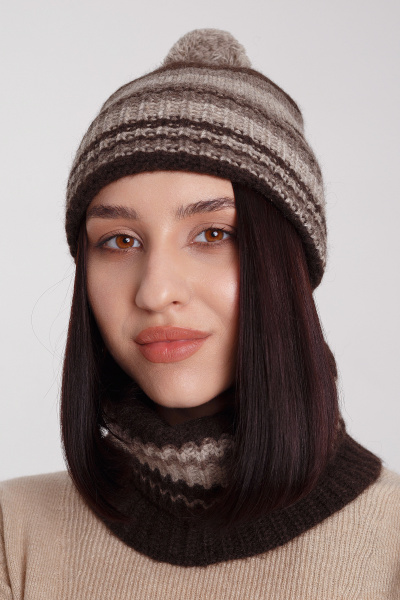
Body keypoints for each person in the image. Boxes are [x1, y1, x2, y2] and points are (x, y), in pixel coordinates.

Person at [0, 28, 399, 600]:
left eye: (213, 234)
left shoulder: (390, 543)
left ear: (288, 264)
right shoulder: (14, 534)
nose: (156, 291)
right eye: (118, 241)